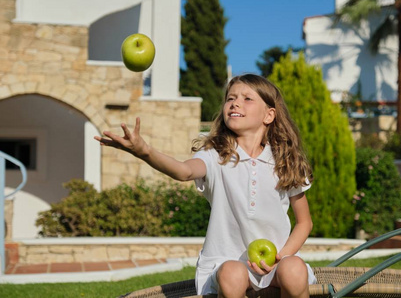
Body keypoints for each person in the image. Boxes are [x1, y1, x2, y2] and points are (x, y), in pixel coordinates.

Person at [95, 74, 316, 298]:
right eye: (230, 98)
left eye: (247, 98)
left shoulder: (284, 161)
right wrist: (145, 152)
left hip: (275, 263)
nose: (235, 103)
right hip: (225, 264)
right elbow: (184, 171)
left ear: (269, 115)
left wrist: (281, 257)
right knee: (233, 274)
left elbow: (304, 222)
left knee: (295, 269)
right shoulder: (215, 155)